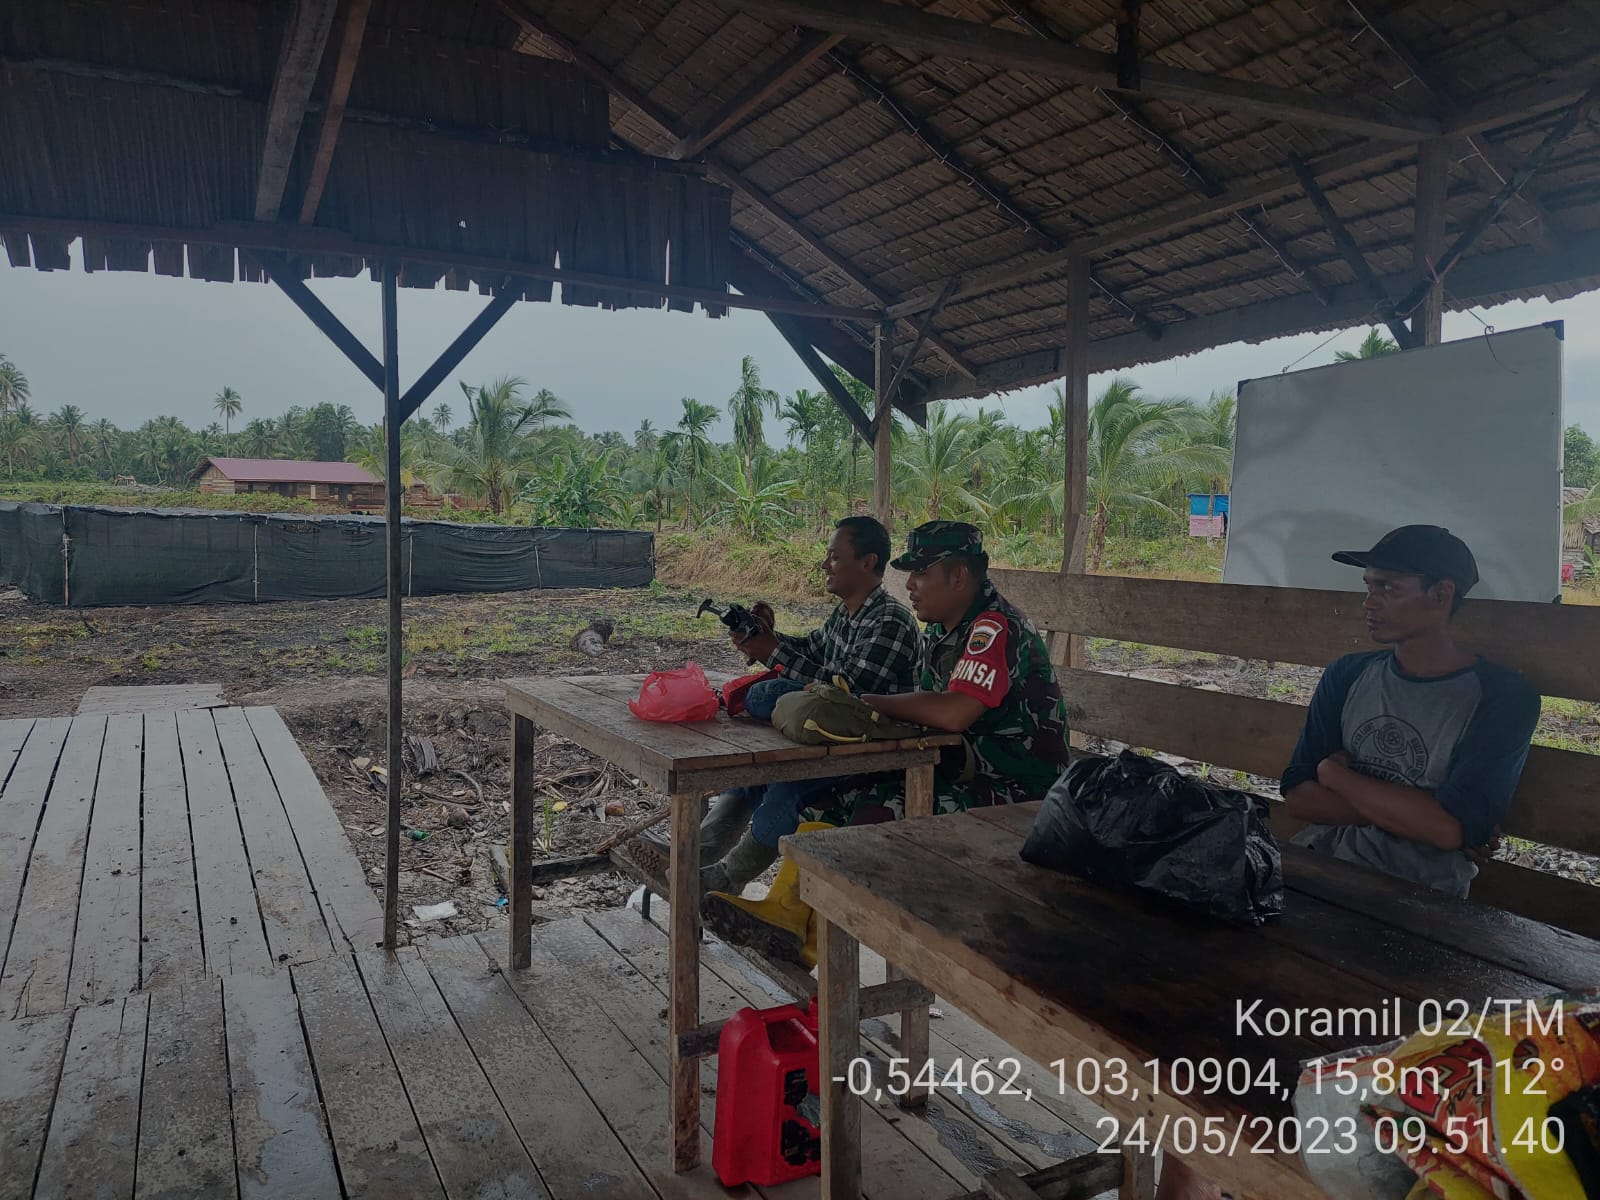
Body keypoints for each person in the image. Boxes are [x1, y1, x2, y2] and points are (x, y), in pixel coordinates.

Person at [703, 520, 1071, 964]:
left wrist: (873, 702)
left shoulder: (993, 628)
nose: (910, 585)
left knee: (871, 812)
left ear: (958, 577)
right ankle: (791, 919)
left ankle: (809, 935)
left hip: (1012, 791)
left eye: (920, 574)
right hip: (957, 767)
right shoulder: (943, 628)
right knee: (830, 794)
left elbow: (955, 712)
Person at [628, 515, 921, 896]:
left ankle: (724, 879)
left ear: (867, 563)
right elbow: (811, 650)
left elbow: (850, 692)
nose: (823, 565)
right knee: (754, 775)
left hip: (876, 748)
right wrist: (768, 637)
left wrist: (774, 653)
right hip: (834, 735)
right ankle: (692, 858)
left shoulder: (890, 621)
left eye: (834, 557)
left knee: (785, 784)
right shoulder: (849, 614)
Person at [1280, 524, 1539, 898]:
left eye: (1388, 587)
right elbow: (1300, 797)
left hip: (1418, 896)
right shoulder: (1348, 674)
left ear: (1441, 594)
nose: (1369, 601)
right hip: (1318, 864)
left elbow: (1449, 828)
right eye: (1369, 586)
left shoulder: (1503, 698)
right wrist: (1420, 817)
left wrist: (1335, 777)